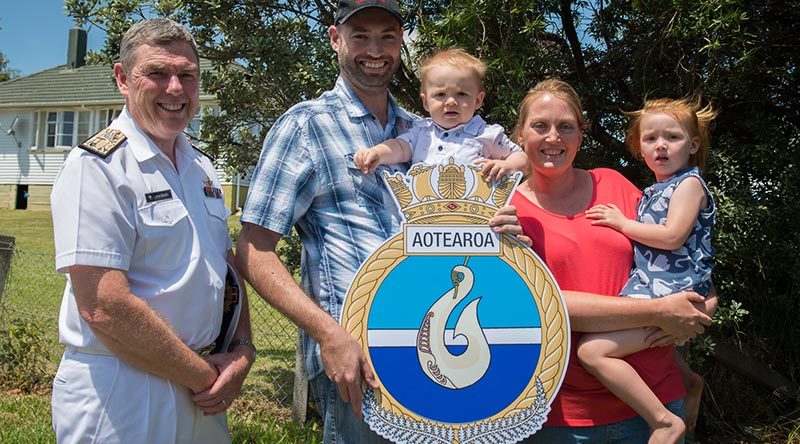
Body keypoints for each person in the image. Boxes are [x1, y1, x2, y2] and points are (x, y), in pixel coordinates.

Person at [234, 1, 528, 442]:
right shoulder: (306, 126)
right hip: (357, 357)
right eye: (361, 35)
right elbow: (253, 249)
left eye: (388, 36)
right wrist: (327, 335)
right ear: (336, 39)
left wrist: (502, 224)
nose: (376, 49)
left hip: (430, 345)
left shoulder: (425, 131)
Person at [50, 18, 254, 443]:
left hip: (203, 387)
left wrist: (242, 352)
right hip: (123, 391)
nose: (175, 89)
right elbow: (103, 305)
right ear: (123, 79)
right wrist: (203, 375)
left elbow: (225, 268)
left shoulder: (201, 166)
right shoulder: (98, 167)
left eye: (187, 75)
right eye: (158, 74)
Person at [509, 79, 717, 443]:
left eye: (566, 127)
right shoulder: (506, 212)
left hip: (656, 405)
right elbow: (537, 303)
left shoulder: (615, 185)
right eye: (540, 126)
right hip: (559, 419)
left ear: (580, 136)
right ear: (520, 135)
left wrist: (703, 309)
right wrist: (661, 312)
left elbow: (678, 256)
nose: (553, 137)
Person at [579, 98, 717, 440]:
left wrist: (620, 223)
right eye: (651, 138)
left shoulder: (689, 185)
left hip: (670, 291)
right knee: (651, 345)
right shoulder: (656, 189)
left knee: (592, 351)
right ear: (639, 147)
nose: (661, 146)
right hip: (658, 287)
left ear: (694, 144)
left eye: (673, 137)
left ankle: (664, 421)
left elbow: (671, 237)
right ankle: (689, 382)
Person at [353, 48, 527, 180]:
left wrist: (508, 165)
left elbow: (523, 158)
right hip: (425, 218)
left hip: (473, 220)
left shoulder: (486, 134)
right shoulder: (421, 132)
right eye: (440, 95)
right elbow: (399, 147)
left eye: (461, 94)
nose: (451, 102)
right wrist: (377, 153)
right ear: (425, 102)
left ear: (478, 100)